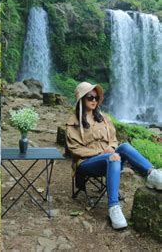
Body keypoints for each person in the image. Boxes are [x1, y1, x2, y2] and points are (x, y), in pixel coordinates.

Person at [66, 82, 162, 230]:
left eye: (96, 98)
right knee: (114, 157)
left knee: (124, 147)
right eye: (90, 97)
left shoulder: (103, 118)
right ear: (81, 99)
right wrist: (101, 152)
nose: (93, 100)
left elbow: (113, 139)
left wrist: (111, 148)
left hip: (108, 159)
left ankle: (152, 174)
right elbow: (75, 148)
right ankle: (113, 208)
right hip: (86, 163)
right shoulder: (73, 122)